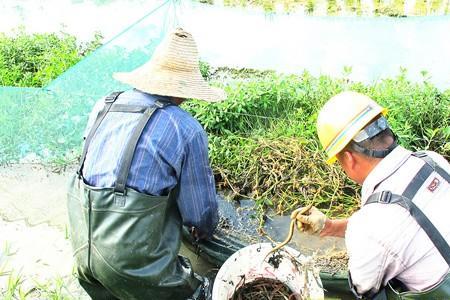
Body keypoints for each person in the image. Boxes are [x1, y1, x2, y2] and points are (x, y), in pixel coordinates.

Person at [66, 28, 226, 300]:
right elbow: (199, 216)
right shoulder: (185, 129)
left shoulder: (104, 105)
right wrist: (206, 232)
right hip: (131, 267)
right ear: (185, 88)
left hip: (82, 254)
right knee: (198, 291)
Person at [291, 91, 450, 299]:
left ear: (348, 159)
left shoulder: (369, 227)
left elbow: (365, 289)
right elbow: (400, 225)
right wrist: (329, 227)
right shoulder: (432, 160)